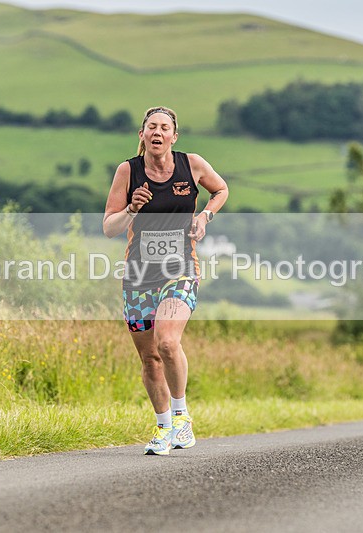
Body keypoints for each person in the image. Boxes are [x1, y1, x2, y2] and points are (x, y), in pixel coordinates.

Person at [103, 106, 229, 455]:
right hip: (139, 275)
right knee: (149, 359)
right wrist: (130, 210)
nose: (157, 133)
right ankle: (163, 427)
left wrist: (205, 216)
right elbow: (109, 228)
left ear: (174, 136)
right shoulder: (128, 171)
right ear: (142, 135)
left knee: (168, 342)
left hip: (181, 270)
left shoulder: (192, 165)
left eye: (164, 128)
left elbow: (221, 190)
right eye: (151, 127)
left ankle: (182, 417)